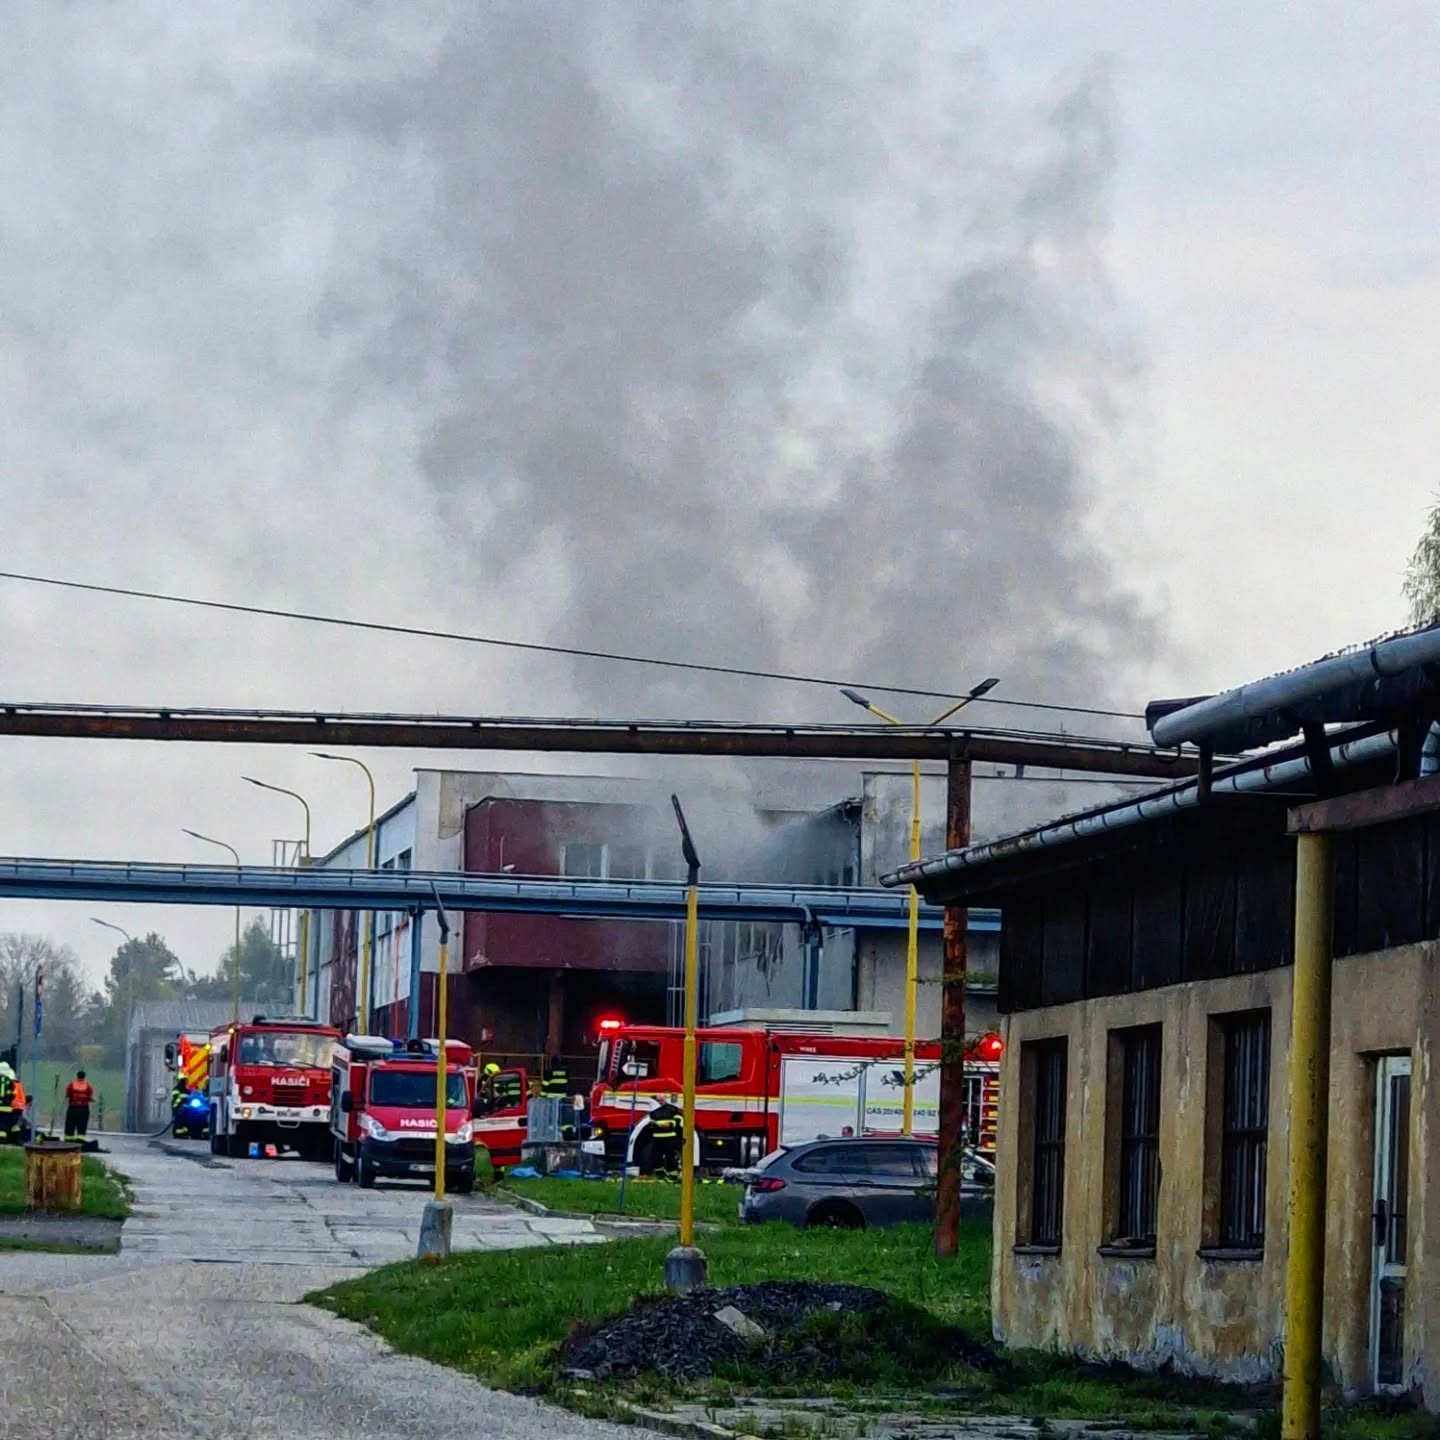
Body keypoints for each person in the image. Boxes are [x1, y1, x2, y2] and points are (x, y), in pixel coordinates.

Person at [647, 1099, 682, 1180]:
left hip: (669, 1137)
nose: (661, 1101)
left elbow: (678, 1118)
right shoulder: (653, 1109)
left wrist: (670, 1124)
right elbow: (650, 1121)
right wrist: (655, 1124)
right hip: (657, 1138)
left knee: (670, 1157)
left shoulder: (672, 1108)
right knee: (656, 1157)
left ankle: (673, 1176)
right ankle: (660, 1175)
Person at [64, 1070, 95, 1143]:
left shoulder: (72, 1084)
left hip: (73, 1108)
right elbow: (90, 1095)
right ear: (84, 1077)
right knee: (82, 1125)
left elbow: (68, 1094)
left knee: (70, 1125)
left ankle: (68, 1142)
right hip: (84, 1108)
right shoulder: (88, 1085)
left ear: (77, 1076)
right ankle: (80, 1142)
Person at [0, 1063, 17, 1144]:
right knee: (4, 1125)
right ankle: (3, 1140)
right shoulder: (9, 1081)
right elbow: (13, 1094)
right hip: (6, 1107)